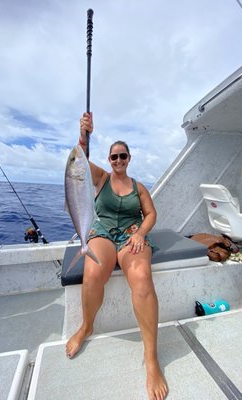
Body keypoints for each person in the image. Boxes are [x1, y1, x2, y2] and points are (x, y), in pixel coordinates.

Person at [66, 112, 168, 400]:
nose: (119, 161)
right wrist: (84, 134)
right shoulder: (100, 177)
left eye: (123, 156)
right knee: (93, 273)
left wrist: (140, 234)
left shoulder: (139, 187)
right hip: (103, 233)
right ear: (109, 160)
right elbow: (79, 162)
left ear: (129, 158)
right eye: (114, 157)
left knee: (142, 279)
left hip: (131, 237)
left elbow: (151, 214)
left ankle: (151, 359)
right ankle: (86, 326)